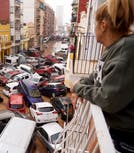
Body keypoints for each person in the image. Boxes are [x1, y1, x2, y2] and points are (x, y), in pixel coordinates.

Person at [71, 0, 134, 152]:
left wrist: (78, 87)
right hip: (114, 130)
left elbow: (108, 99)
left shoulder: (127, 49)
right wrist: (81, 85)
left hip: (125, 139)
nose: (94, 29)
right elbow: (94, 77)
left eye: (94, 24)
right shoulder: (112, 49)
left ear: (103, 25)